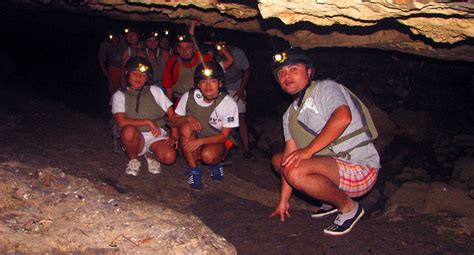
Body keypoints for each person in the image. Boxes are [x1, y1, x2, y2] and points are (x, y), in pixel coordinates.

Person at [269, 48, 380, 236]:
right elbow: (289, 156)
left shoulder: (325, 88)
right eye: (281, 73)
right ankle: (331, 201)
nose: (286, 76)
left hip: (360, 166)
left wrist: (307, 151)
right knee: (279, 160)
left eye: (293, 69)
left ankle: (349, 208)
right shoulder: (289, 115)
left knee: (296, 170)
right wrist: (283, 201)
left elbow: (342, 118)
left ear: (309, 72)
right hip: (335, 168)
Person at [171, 61, 239, 190]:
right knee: (185, 126)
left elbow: (224, 136)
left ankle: (216, 163)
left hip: (216, 141)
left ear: (220, 83)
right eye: (203, 81)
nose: (208, 86)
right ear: (198, 84)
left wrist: (200, 142)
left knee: (208, 156)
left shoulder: (228, 103)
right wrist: (188, 118)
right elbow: (173, 121)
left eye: (213, 81)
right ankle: (195, 171)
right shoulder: (189, 97)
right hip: (193, 137)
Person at [111, 56, 177, 176]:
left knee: (169, 157)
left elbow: (171, 114)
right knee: (128, 131)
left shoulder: (154, 90)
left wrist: (174, 135)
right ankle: (133, 160)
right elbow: (121, 122)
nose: (139, 77)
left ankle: (150, 156)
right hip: (136, 136)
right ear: (127, 74)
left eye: (143, 75)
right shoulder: (119, 95)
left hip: (156, 134)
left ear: (147, 78)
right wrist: (147, 122)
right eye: (135, 73)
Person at [219, 44, 254, 160]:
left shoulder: (238, 53)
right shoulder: (213, 53)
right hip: (221, 87)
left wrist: (241, 89)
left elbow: (247, 71)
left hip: (237, 86)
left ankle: (246, 149)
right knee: (222, 118)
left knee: (240, 116)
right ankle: (223, 149)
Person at [162, 31, 212, 103]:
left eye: (188, 47)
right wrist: (168, 109)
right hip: (180, 101)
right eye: (181, 48)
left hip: (201, 100)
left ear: (194, 48)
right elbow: (168, 87)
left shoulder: (204, 60)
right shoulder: (172, 63)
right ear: (178, 50)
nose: (184, 52)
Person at [98, 30, 125, 96]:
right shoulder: (104, 45)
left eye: (116, 37)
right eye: (112, 38)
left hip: (125, 68)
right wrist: (109, 79)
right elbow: (101, 62)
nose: (114, 40)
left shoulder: (123, 40)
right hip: (113, 69)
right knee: (114, 90)